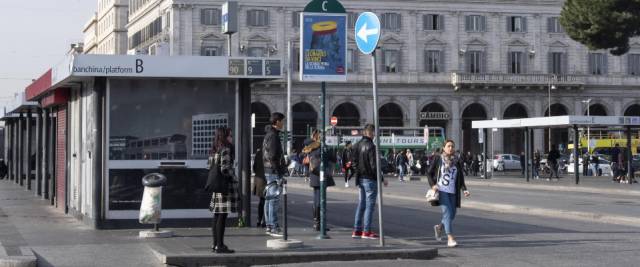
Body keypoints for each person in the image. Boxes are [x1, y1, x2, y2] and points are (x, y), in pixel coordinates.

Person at [428, 140, 470, 248]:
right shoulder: (438, 158)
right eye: (448, 146)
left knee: (452, 214)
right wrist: (433, 185)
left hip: (453, 191)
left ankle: (439, 227)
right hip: (441, 190)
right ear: (443, 148)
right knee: (447, 213)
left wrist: (464, 189)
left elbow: (460, 176)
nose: (450, 148)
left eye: (452, 146)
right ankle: (450, 238)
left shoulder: (457, 161)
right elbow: (429, 173)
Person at [352, 124, 388, 239]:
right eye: (373, 133)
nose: (374, 135)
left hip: (360, 178)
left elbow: (354, 163)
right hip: (370, 179)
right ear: (370, 133)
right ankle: (366, 231)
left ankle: (357, 230)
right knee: (369, 206)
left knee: (361, 204)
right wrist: (381, 178)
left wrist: (358, 172)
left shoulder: (357, 145)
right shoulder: (371, 146)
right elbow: (374, 166)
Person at [208, 127, 237, 254]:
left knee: (216, 215)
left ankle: (215, 244)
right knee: (222, 216)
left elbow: (209, 166)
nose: (231, 137)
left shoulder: (215, 149)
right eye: (230, 135)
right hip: (224, 187)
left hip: (216, 186)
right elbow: (225, 169)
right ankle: (220, 245)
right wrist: (234, 176)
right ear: (225, 136)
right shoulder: (226, 149)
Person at [303, 129, 336, 231]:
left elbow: (305, 145)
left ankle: (316, 222)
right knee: (321, 200)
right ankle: (320, 224)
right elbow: (333, 158)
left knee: (316, 199)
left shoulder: (310, 147)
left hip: (314, 175)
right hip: (321, 175)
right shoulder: (322, 147)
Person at [262, 112, 287, 237]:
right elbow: (272, 156)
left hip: (268, 170)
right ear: (277, 122)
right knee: (274, 199)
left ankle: (269, 225)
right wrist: (278, 171)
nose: (283, 123)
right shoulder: (273, 136)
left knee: (269, 199)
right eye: (282, 121)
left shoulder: (269, 134)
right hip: (273, 171)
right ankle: (273, 226)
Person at [252, 148, 266, 228]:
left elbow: (254, 167)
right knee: (267, 201)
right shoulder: (268, 152)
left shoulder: (258, 153)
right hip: (265, 179)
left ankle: (259, 219)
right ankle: (264, 220)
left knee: (261, 201)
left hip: (258, 179)